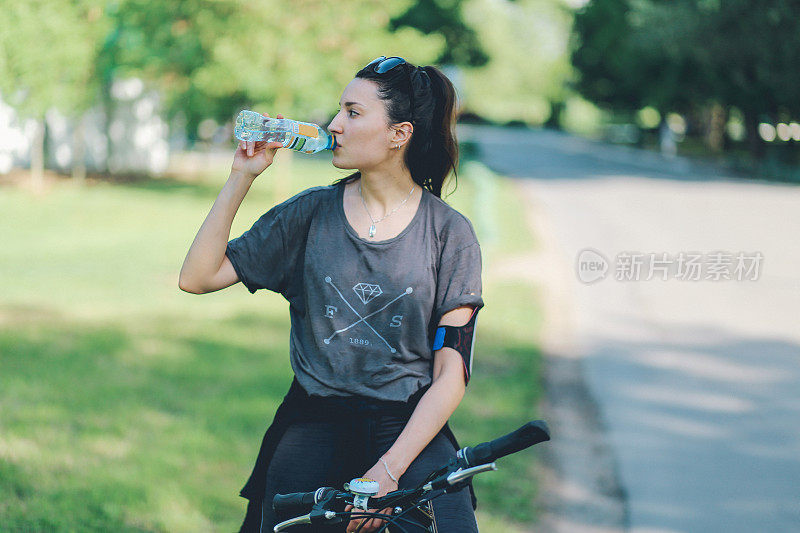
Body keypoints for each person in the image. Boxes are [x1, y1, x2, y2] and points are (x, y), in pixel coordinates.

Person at [179, 56, 483, 532]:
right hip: (314, 420)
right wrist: (241, 175)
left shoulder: (450, 234)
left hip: (408, 425)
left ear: (399, 134)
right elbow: (197, 277)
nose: (334, 125)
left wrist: (389, 470)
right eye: (339, 110)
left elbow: (451, 373)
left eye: (353, 113)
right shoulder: (309, 213)